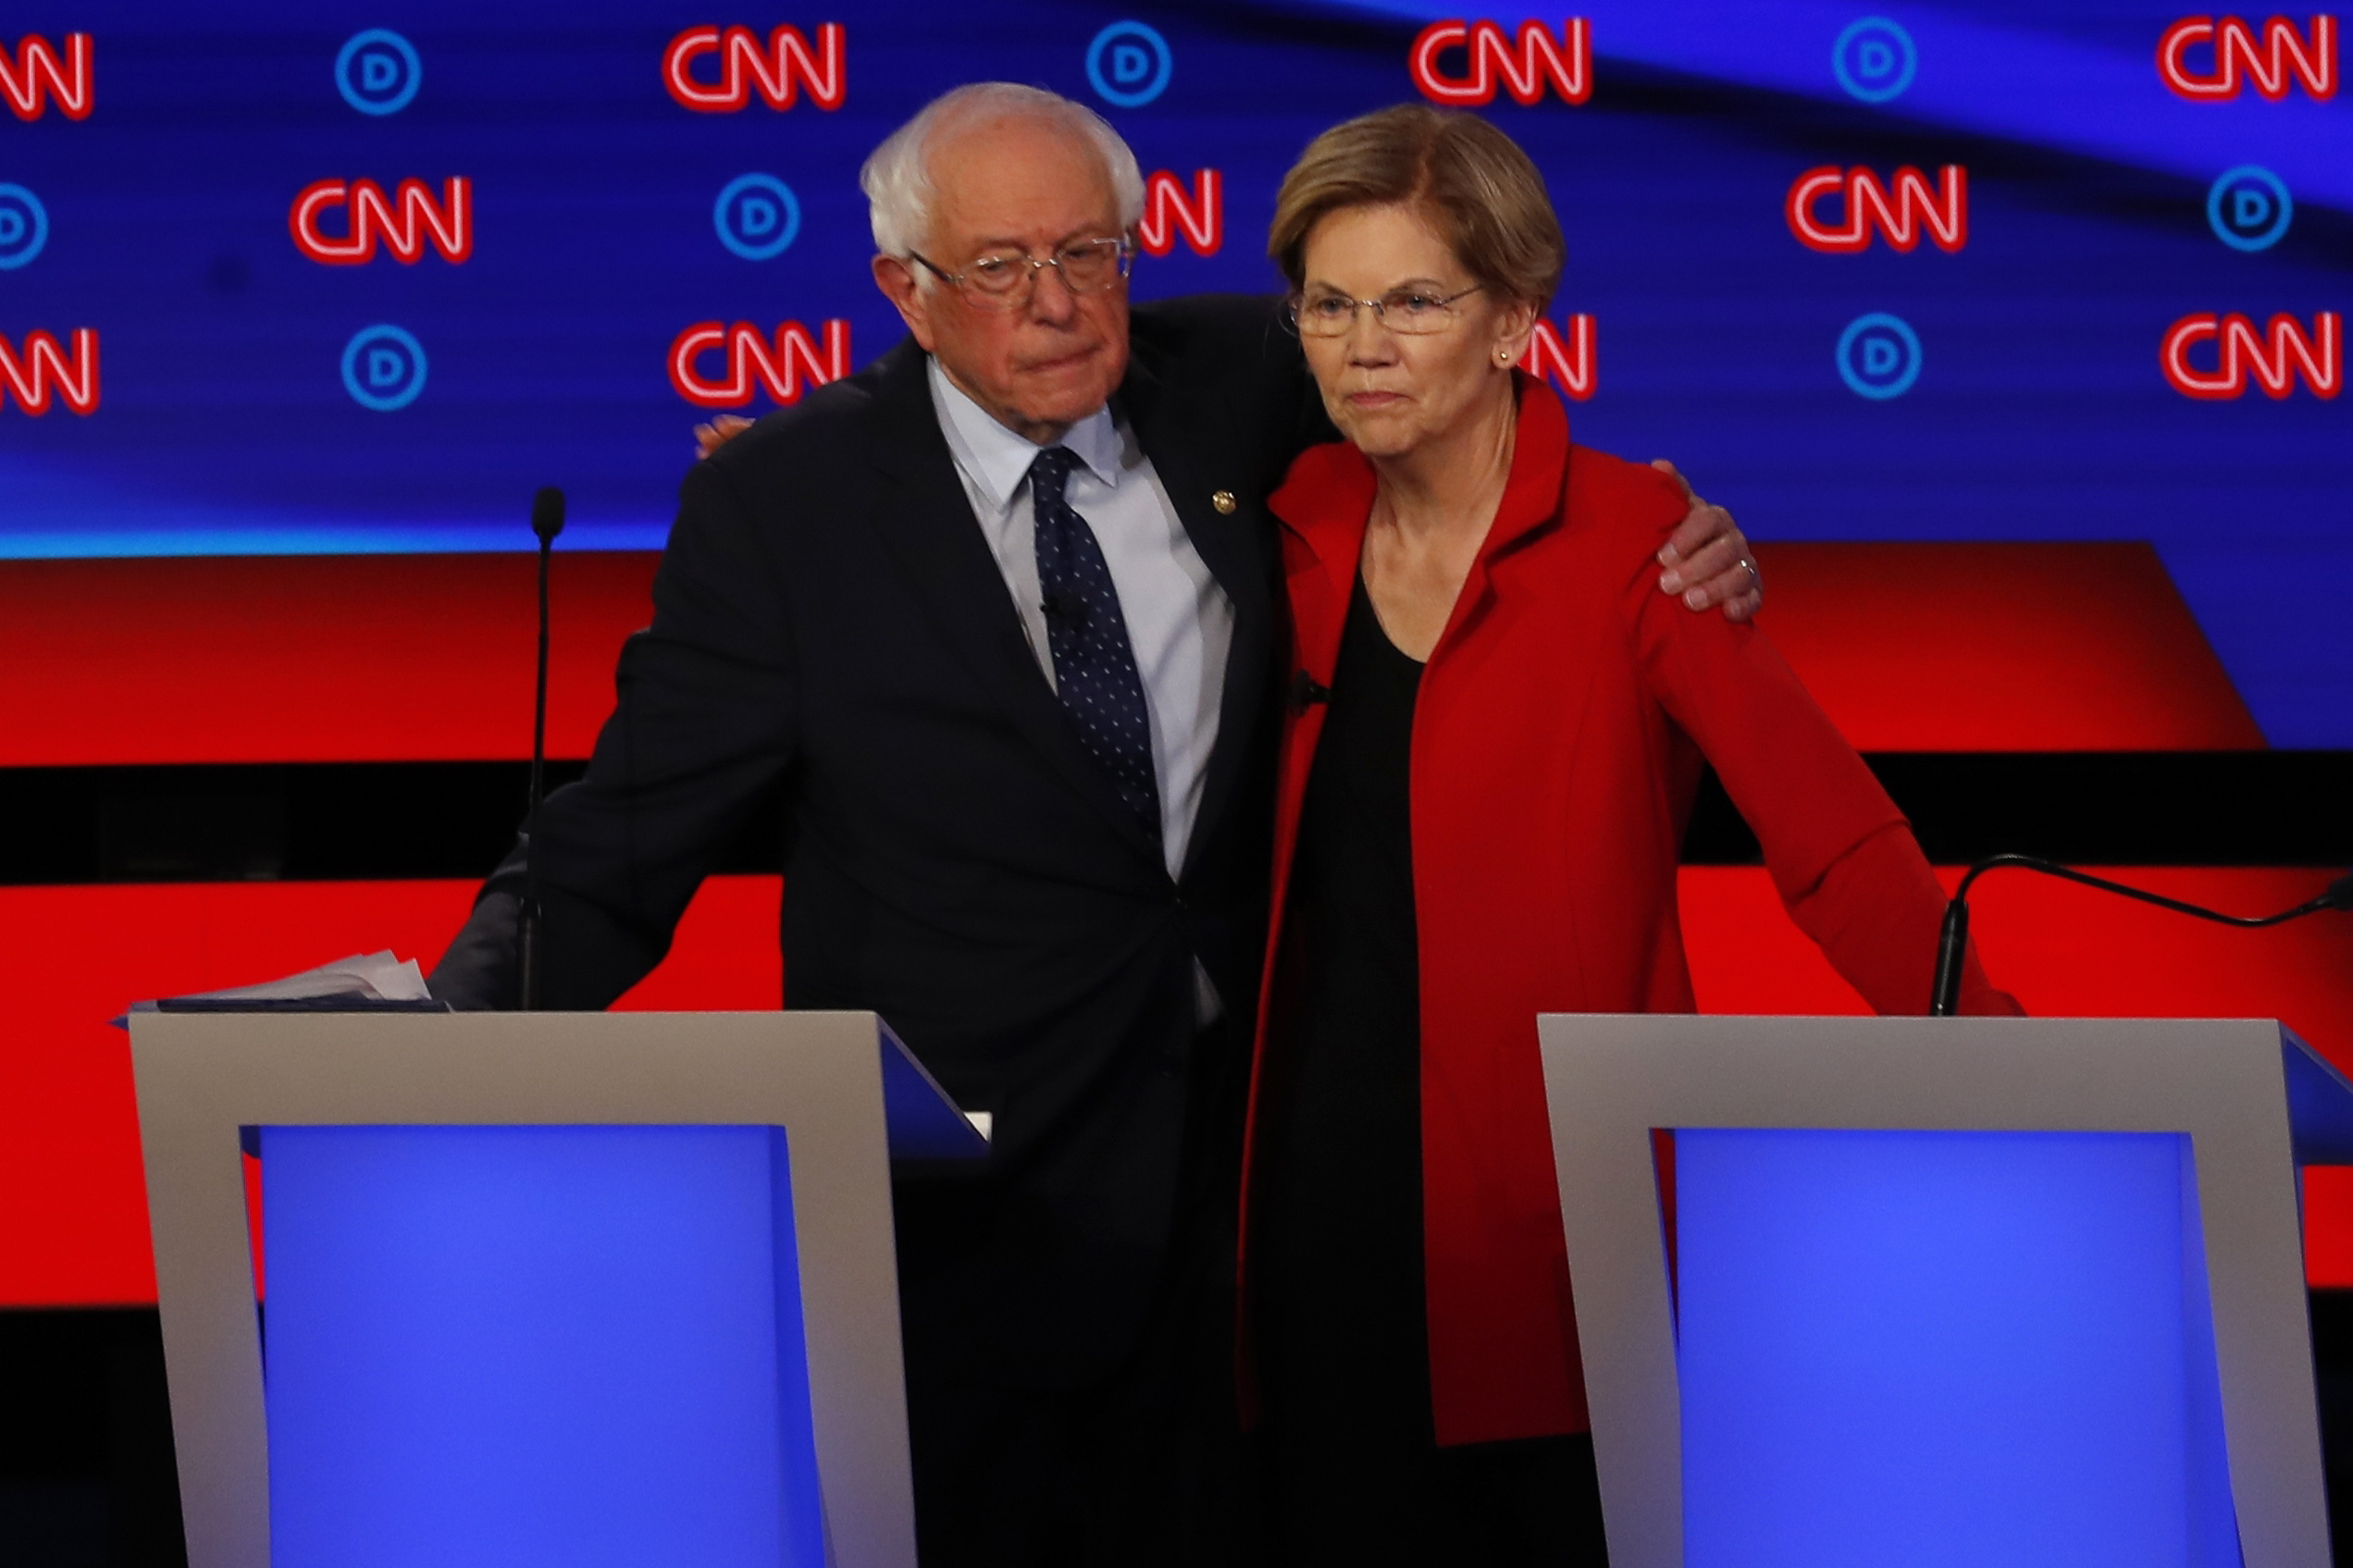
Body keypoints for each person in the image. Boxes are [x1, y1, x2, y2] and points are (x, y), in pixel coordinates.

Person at [428, 84, 1763, 1565]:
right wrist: (445, 1020)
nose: (1057, 306)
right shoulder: (788, 507)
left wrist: (1667, 516)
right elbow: (626, 834)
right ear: (905, 293)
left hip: (1252, 1207)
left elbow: (1461, 409)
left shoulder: (1244, 377)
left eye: (1090, 254)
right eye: (998, 268)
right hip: (970, 1229)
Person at [1236, 105, 2021, 1566]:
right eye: (1329, 307)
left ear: (1518, 321)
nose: (1364, 347)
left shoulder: (1636, 544)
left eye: (1414, 302)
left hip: (1550, 1216)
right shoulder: (1274, 521)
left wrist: (2029, 1079)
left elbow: (1834, 841)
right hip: (1300, 1215)